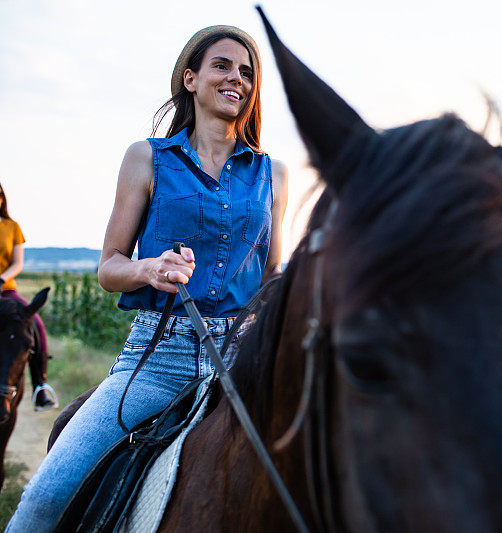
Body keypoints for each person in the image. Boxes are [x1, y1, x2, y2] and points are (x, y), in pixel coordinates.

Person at [6, 25, 287, 531]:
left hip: (245, 365)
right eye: (222, 66)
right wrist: (148, 268)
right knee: (48, 495)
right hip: (159, 362)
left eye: (248, 72)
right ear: (190, 79)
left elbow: (273, 280)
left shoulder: (273, 175)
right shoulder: (146, 158)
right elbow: (109, 267)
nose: (237, 79)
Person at [0, 182, 59, 412]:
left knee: (35, 323)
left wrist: (2, 278)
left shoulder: (12, 226)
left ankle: (40, 387)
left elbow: (17, 263)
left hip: (6, 288)